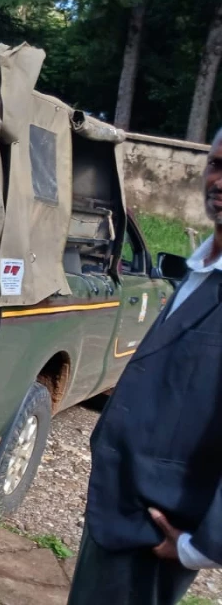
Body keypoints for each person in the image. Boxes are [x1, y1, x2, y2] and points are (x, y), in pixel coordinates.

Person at [67, 128, 222, 605]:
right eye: (217, 164)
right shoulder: (203, 270)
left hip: (161, 528)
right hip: (123, 506)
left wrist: (202, 548)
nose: (219, 180)